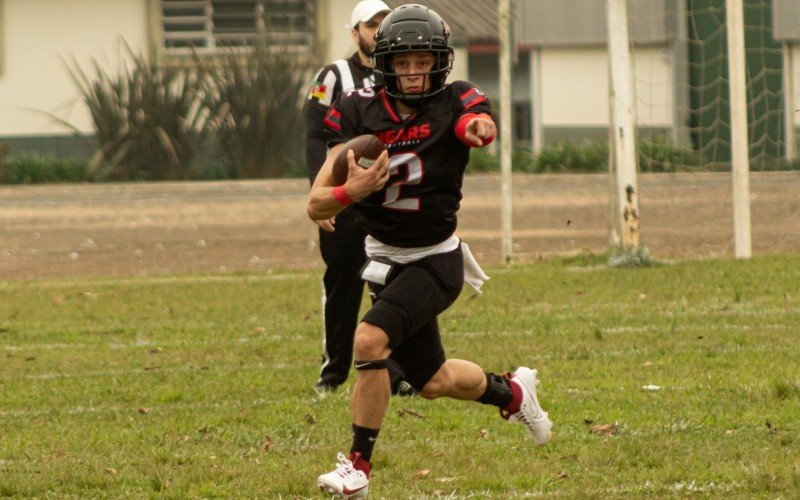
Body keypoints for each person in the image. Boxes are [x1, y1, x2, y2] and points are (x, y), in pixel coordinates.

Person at [307, 4, 553, 498]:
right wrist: (347, 193)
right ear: (386, 64)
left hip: (436, 259)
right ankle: (514, 392)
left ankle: (358, 467)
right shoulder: (357, 108)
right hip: (384, 259)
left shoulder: (456, 99)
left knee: (369, 342)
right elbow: (315, 204)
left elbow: (473, 123)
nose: (415, 73)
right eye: (404, 63)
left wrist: (479, 130)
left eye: (424, 61)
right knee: (432, 380)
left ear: (440, 61)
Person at [306, 0, 391, 394]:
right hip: (343, 199)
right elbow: (313, 135)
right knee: (342, 284)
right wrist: (320, 192)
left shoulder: (403, 75)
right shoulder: (334, 76)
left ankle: (400, 371)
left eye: (383, 24)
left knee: (394, 282)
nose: (377, 31)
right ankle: (334, 371)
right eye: (370, 25)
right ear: (355, 32)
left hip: (386, 200)